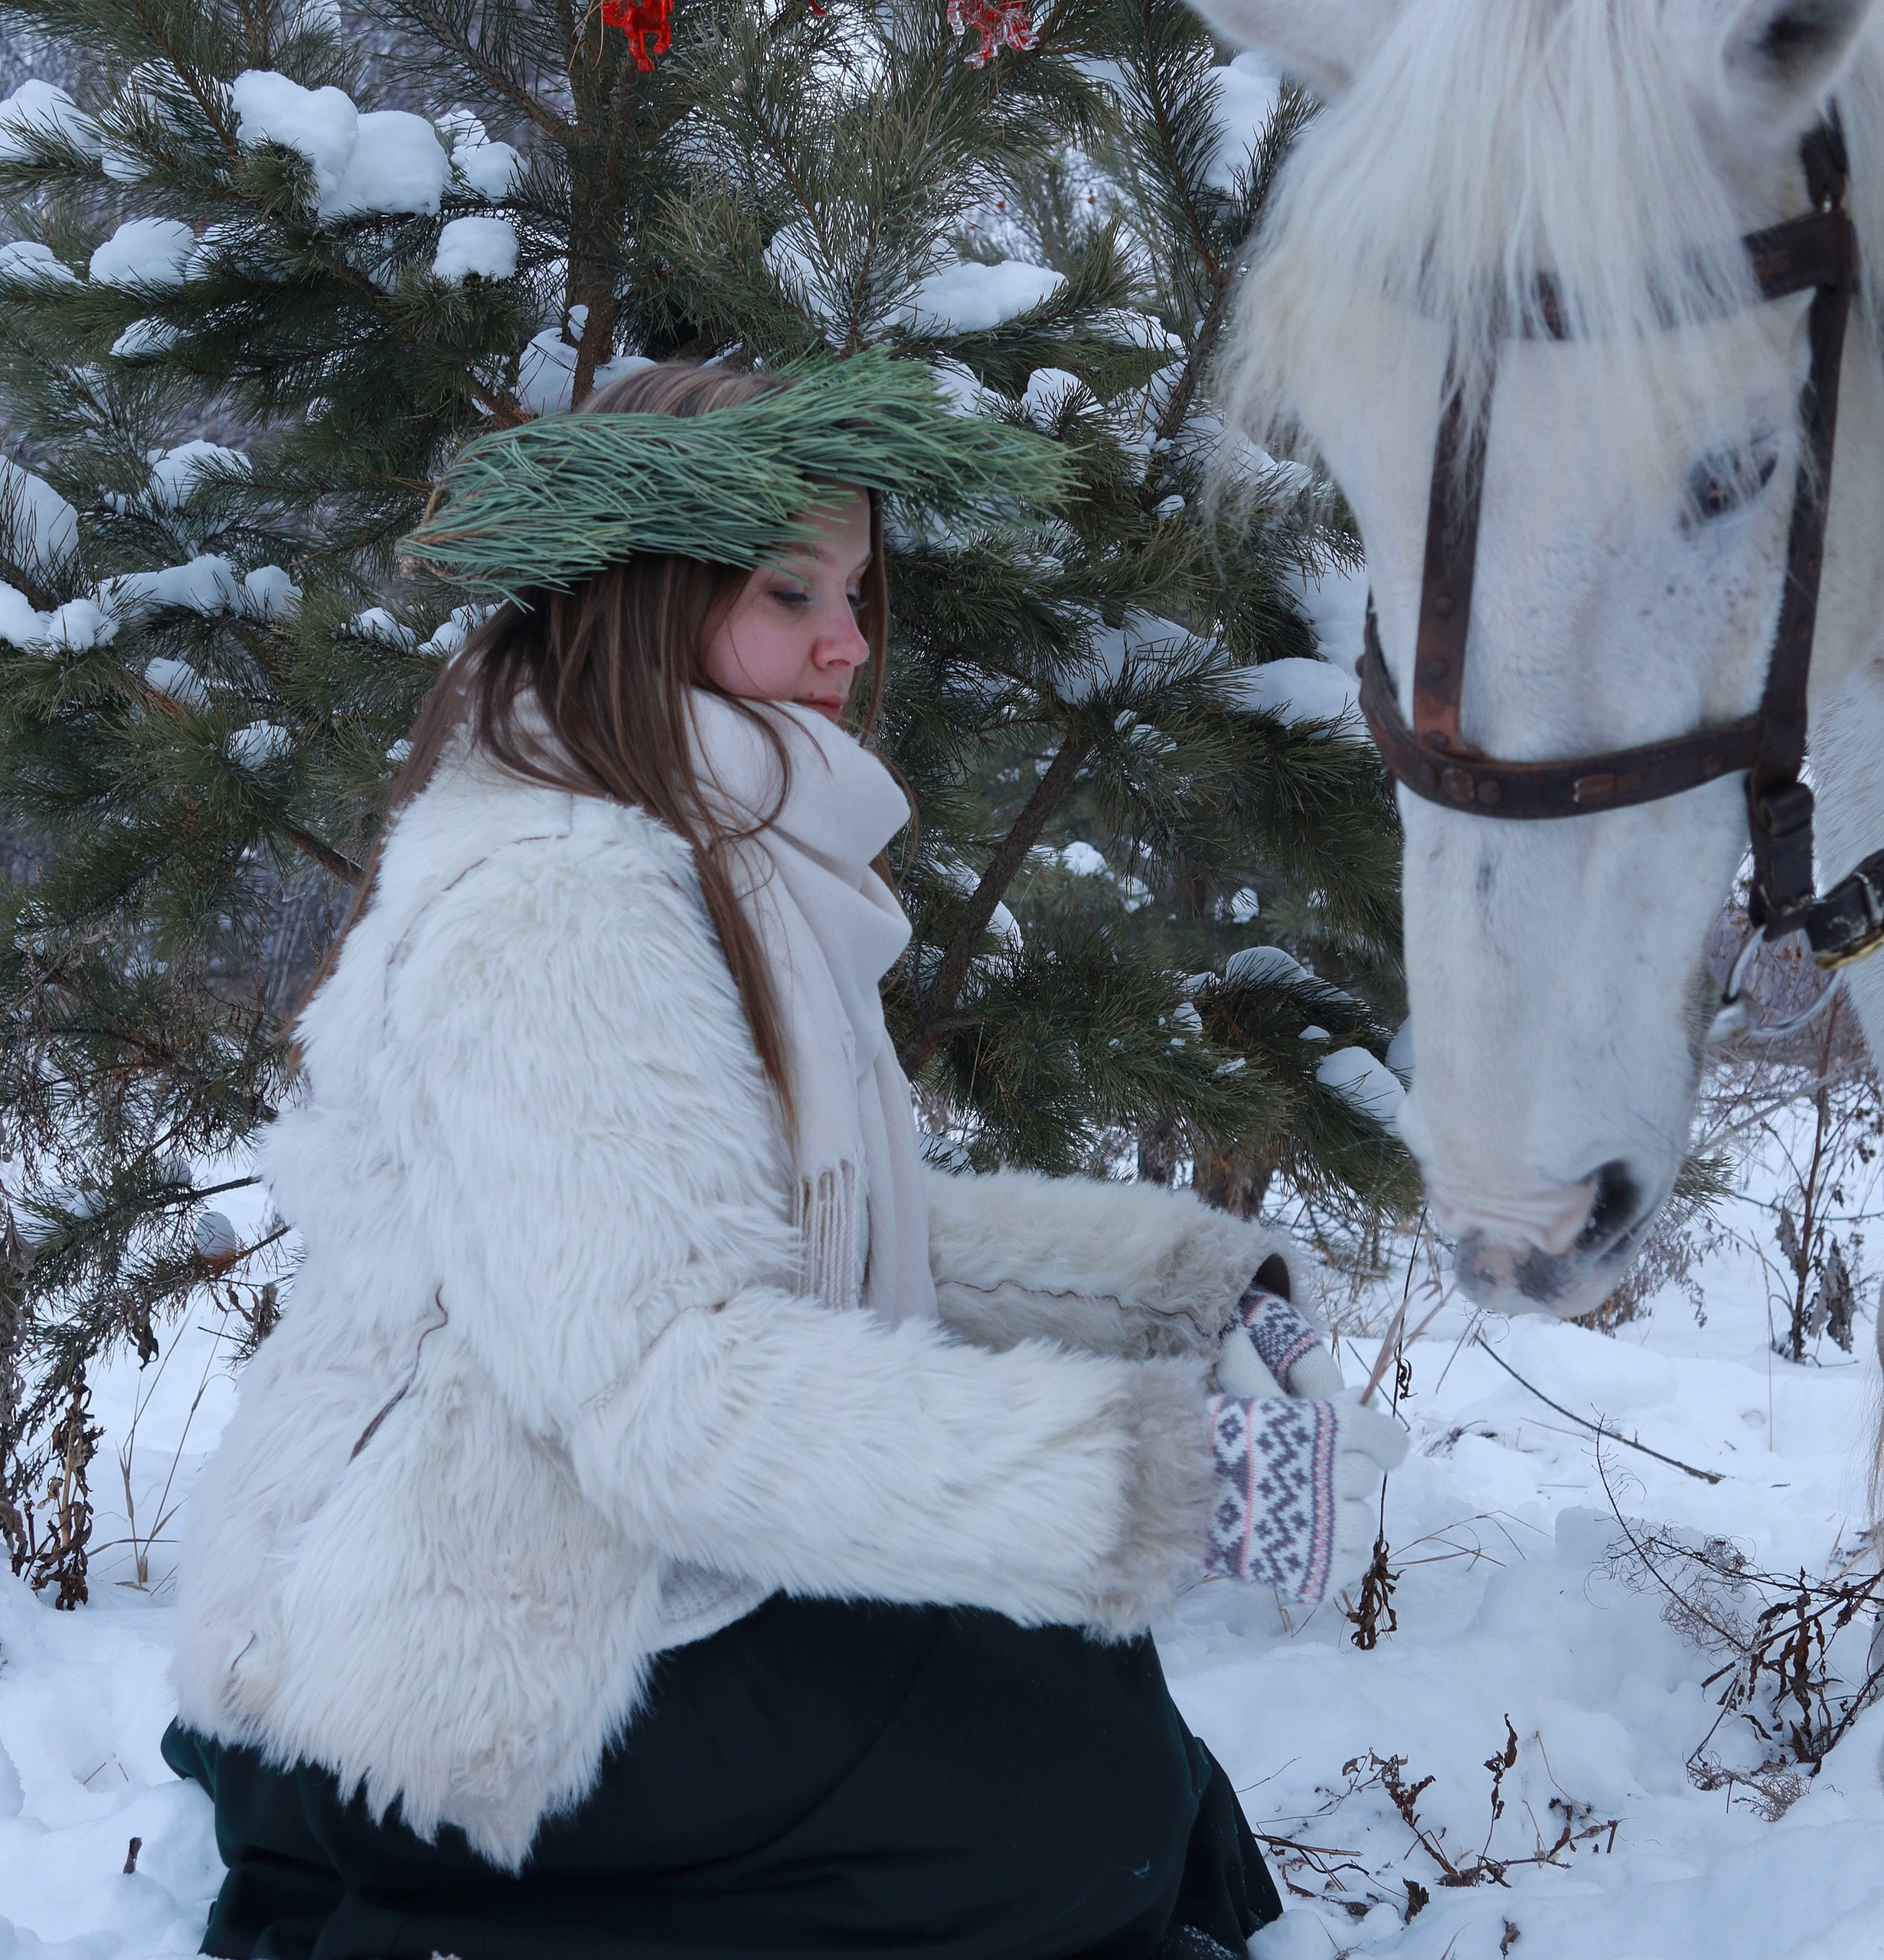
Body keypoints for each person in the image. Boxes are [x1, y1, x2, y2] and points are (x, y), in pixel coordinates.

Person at [163, 356, 1406, 1960]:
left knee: (1100, 1720)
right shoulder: (561, 903)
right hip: (461, 1651)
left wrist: (1180, 1295)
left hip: (570, 1548)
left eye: (856, 591)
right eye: (789, 591)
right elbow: (669, 1394)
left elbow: (792, 1232)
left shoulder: (710, 841)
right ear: (647, 596)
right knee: (1080, 1809)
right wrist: (1161, 1482)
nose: (848, 641)